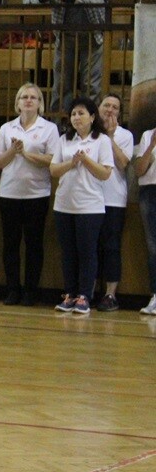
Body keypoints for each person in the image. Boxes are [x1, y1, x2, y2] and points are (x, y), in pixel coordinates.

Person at [0, 83, 59, 306]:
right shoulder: (6, 128)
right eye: (24, 97)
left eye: (33, 97)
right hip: (9, 193)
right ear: (17, 103)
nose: (28, 100)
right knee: (10, 244)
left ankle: (31, 291)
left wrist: (26, 154)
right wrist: (13, 150)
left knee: (34, 244)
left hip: (37, 194)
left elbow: (52, 159)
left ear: (40, 103)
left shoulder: (49, 128)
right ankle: (13, 289)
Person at [49, 97, 112, 314]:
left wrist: (85, 160)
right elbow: (53, 170)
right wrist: (72, 162)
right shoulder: (64, 140)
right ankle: (69, 294)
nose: (76, 117)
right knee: (68, 252)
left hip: (90, 206)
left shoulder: (102, 141)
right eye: (73, 114)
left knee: (87, 252)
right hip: (64, 204)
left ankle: (85, 296)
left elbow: (105, 173)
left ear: (92, 117)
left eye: (81, 113)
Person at [24, 0, 108, 112]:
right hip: (65, 36)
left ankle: (90, 122)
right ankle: (58, 123)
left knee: (91, 86)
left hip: (93, 36)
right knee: (61, 86)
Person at [94, 94, 133, 311]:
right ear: (98, 108)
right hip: (90, 198)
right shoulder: (89, 132)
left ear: (120, 113)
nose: (110, 110)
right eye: (106, 105)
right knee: (90, 247)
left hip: (114, 199)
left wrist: (109, 137)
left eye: (115, 107)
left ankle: (110, 294)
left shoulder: (125, 135)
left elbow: (123, 163)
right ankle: (88, 290)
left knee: (111, 247)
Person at [135, 125, 156, 315]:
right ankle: (155, 296)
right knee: (153, 246)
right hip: (150, 191)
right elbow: (139, 170)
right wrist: (151, 145)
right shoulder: (148, 135)